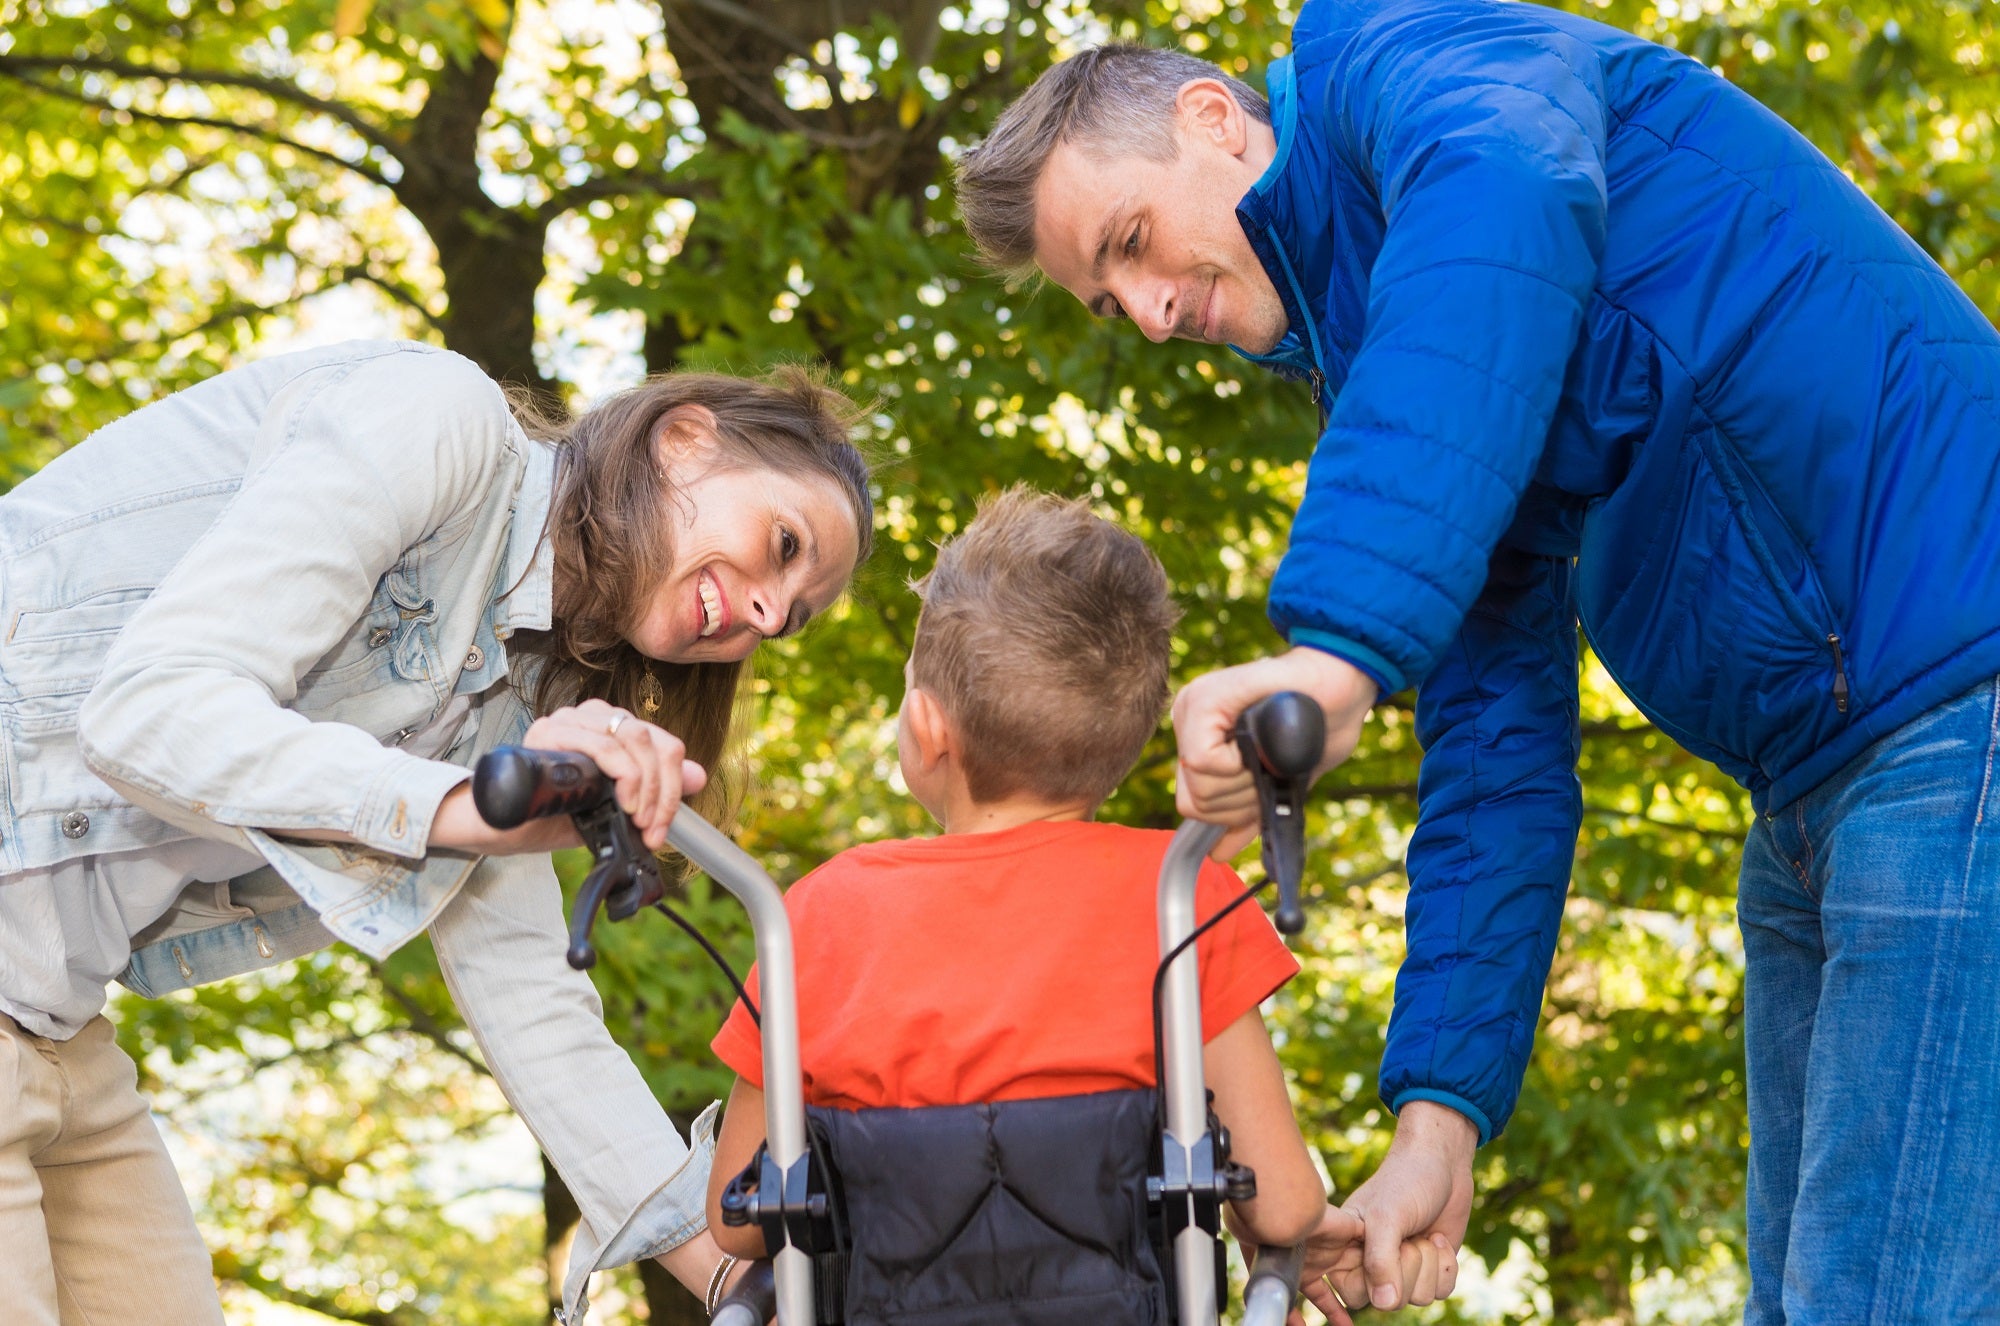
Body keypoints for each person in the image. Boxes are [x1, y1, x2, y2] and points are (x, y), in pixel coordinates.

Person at [953, 3, 2000, 1323]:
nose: (1153, 314)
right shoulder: (1411, 358)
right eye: (1114, 300)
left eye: (1131, 244)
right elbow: (1494, 733)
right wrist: (1438, 1123)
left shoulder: (1409, 56)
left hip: (1962, 696)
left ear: (1211, 119)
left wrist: (1334, 654)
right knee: (1803, 1297)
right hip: (1821, 781)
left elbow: (1507, 199)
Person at [0, 339, 873, 1325]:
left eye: (790, 617)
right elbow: (147, 711)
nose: (764, 609)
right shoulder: (436, 419)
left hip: (51, 1023)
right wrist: (465, 809)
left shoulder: (524, 695)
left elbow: (527, 990)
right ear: (683, 442)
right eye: (784, 546)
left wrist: (735, 1280)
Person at [701, 488, 1392, 1305]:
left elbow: (739, 1217)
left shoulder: (817, 917)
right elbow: (1281, 1202)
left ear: (927, 728)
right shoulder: (1181, 896)